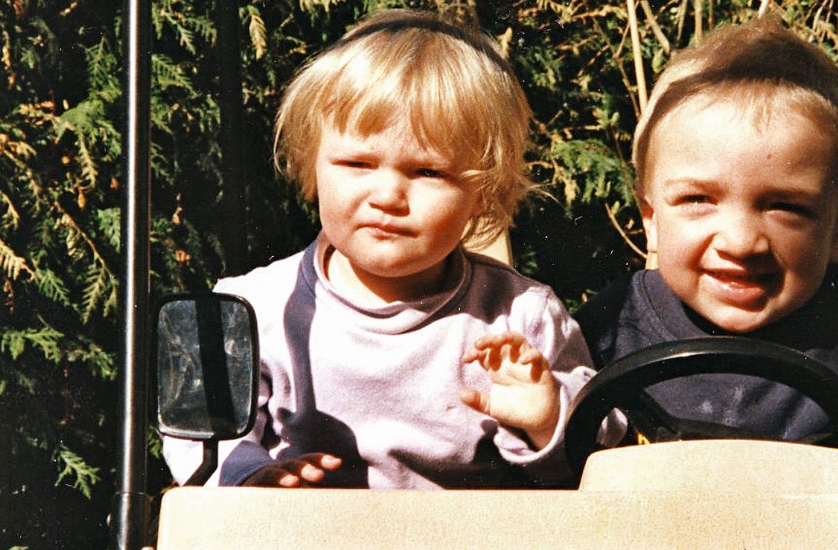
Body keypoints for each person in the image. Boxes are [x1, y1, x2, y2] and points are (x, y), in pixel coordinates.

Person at [163, 9, 598, 489]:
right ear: (312, 167)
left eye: (427, 172)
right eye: (357, 163)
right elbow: (199, 443)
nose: (388, 196)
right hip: (300, 526)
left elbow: (599, 455)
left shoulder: (520, 317)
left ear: (482, 192)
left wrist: (547, 419)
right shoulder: (255, 308)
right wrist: (249, 479)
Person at [574, 13, 838, 489]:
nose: (741, 241)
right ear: (651, 218)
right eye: (698, 200)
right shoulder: (613, 325)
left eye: (784, 207)